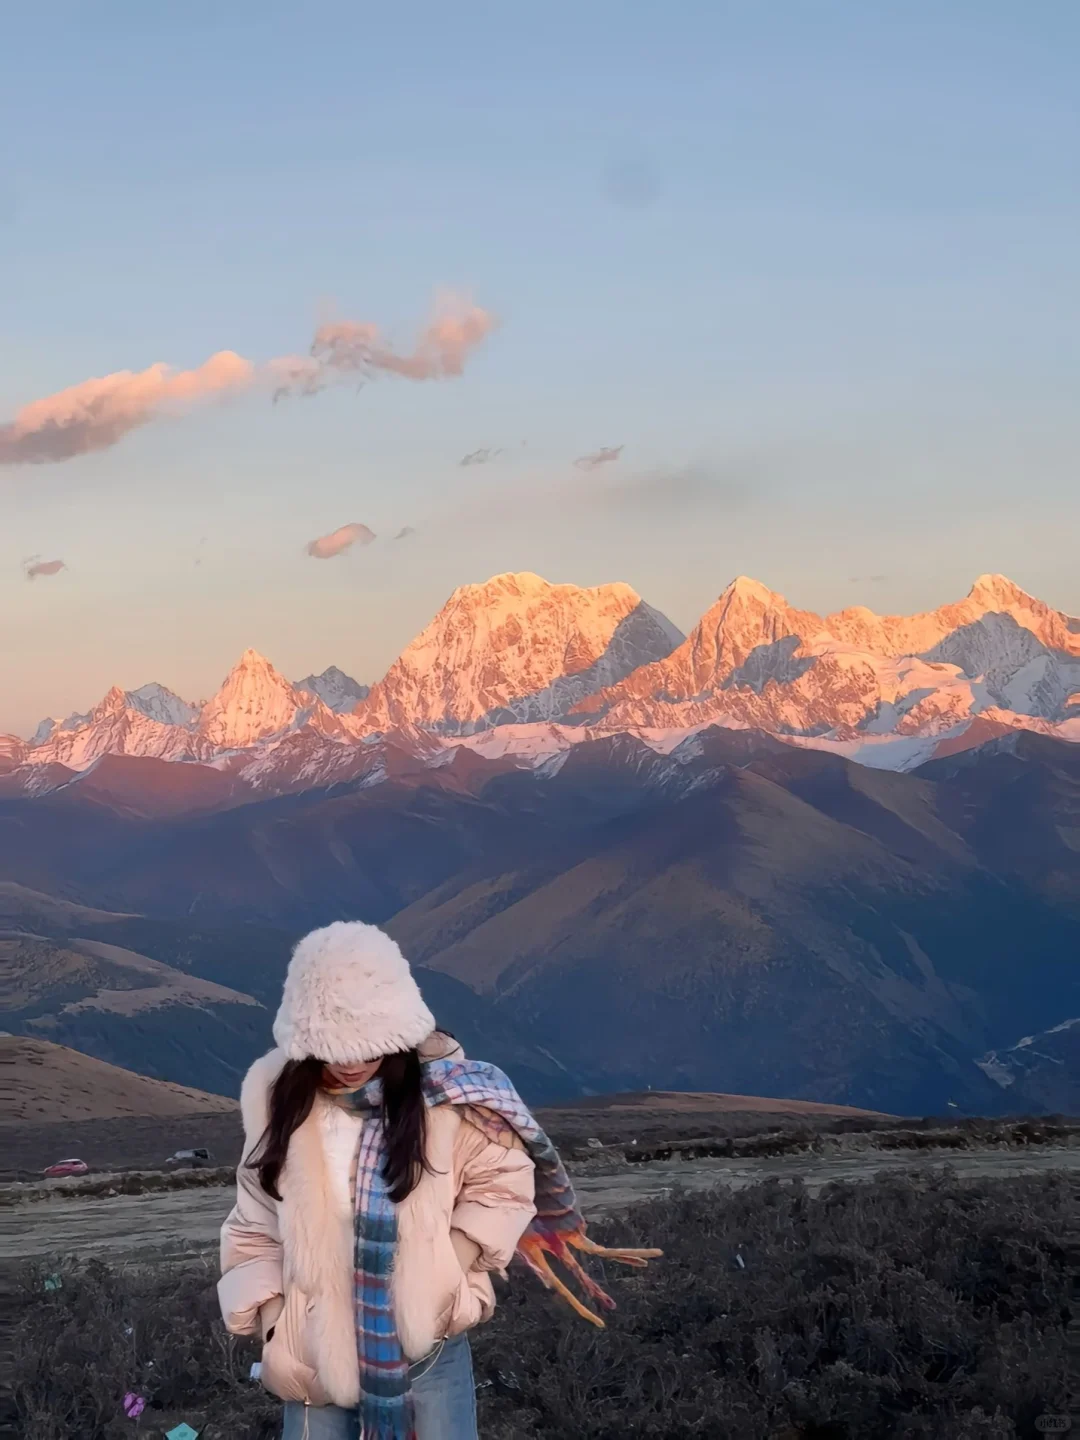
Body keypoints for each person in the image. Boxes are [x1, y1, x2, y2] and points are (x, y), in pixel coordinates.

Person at [218, 920, 659, 1440]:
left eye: (370, 1043)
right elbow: (253, 1223)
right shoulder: (280, 1106)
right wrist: (276, 1324)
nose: (353, 1063)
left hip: (428, 1348)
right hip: (313, 1359)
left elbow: (502, 1187)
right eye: (335, 1047)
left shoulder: (449, 1098)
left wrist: (444, 1271)